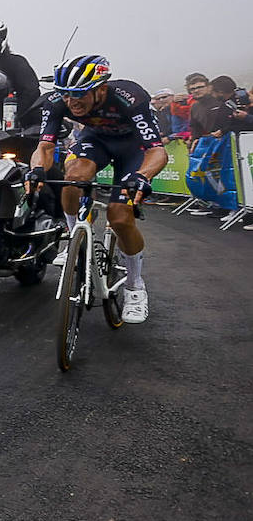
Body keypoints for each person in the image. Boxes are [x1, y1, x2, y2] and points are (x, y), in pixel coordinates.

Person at [26, 56, 168, 324]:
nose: (72, 102)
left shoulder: (130, 97)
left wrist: (142, 176)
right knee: (74, 178)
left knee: (119, 217)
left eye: (79, 94)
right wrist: (36, 171)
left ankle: (135, 287)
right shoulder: (56, 102)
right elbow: (44, 147)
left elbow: (157, 151)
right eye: (66, 95)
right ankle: (74, 236)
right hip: (96, 141)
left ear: (101, 88)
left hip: (133, 148)